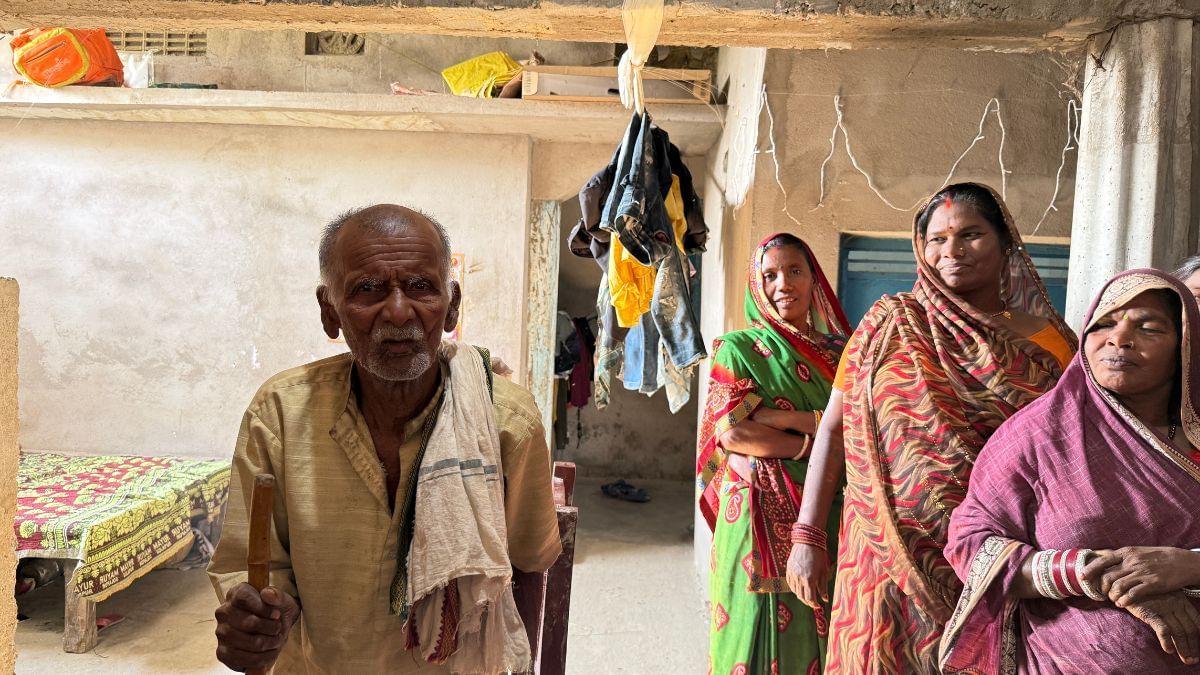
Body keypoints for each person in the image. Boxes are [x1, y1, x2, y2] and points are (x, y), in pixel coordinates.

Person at [207, 205, 561, 673]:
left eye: (420, 287)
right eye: (367, 290)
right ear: (329, 311)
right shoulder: (280, 415)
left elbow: (528, 565)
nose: (397, 311)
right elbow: (254, 570)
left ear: (451, 305)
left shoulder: (507, 422)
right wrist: (261, 618)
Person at [785, 183, 1075, 673]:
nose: (952, 251)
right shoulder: (887, 325)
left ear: (1005, 242)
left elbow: (1067, 454)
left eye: (970, 235)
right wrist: (807, 534)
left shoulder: (1049, 343)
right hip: (883, 555)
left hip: (992, 559)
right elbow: (834, 430)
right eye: (937, 239)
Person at [940, 268, 1200, 674]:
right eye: (1105, 324)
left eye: (1149, 328)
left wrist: (1186, 567)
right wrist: (1093, 575)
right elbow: (972, 547)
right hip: (1063, 661)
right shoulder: (1037, 434)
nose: (1120, 339)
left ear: (1184, 348)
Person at [697, 233, 850, 674]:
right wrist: (815, 430)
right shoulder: (739, 350)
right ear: (756, 285)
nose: (783, 284)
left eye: (795, 271)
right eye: (769, 275)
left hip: (827, 508)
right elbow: (733, 436)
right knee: (749, 634)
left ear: (813, 279)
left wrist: (774, 416)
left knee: (822, 624)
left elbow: (856, 426)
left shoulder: (842, 353)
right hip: (752, 518)